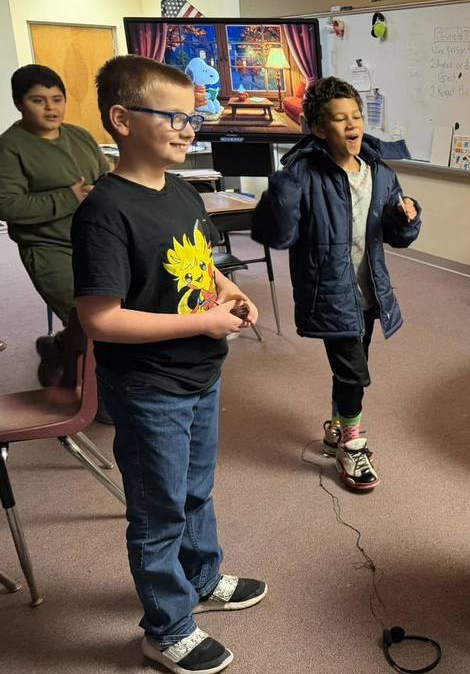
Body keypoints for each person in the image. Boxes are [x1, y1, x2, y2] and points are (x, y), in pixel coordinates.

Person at [72, 55, 267, 674]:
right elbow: (100, 320)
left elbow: (196, 262)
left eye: (195, 116)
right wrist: (202, 322)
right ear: (122, 120)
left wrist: (227, 291)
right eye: (175, 116)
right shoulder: (105, 210)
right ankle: (167, 626)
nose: (190, 128)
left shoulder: (183, 190)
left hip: (199, 372)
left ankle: (202, 578)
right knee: (157, 511)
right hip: (148, 386)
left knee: (194, 490)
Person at [252, 77, 421, 492]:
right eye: (339, 119)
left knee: (351, 365)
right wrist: (283, 191)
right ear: (317, 129)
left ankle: (336, 426)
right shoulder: (302, 175)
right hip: (328, 289)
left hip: (368, 289)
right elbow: (278, 236)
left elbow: (398, 235)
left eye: (357, 117)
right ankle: (352, 443)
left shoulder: (378, 171)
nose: (352, 126)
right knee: (354, 373)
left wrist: (408, 218)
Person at [0, 64, 108, 385]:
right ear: (19, 104)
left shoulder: (80, 135)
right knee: (88, 317)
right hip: (48, 247)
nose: (51, 108)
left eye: (56, 99)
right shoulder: (9, 147)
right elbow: (6, 205)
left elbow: (105, 177)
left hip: (97, 239)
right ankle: (90, 387)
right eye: (38, 100)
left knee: (115, 309)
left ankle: (59, 347)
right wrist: (69, 197)